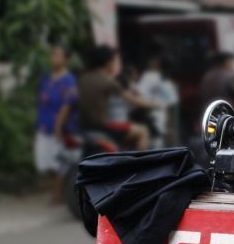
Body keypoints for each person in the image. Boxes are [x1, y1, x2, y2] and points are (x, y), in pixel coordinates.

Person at [78, 45, 158, 151]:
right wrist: (155, 104)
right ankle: (140, 165)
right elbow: (132, 100)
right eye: (113, 61)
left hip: (84, 126)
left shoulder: (83, 78)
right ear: (107, 63)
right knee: (143, 131)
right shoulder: (107, 81)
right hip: (103, 126)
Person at [34, 44, 77, 202]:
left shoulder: (69, 81)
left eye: (58, 55)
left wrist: (59, 126)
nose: (53, 58)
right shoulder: (47, 78)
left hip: (60, 129)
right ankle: (56, 190)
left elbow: (66, 105)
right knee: (46, 162)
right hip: (44, 126)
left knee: (58, 162)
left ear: (67, 59)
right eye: (52, 54)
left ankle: (58, 194)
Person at [137, 54, 179, 147]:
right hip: (147, 119)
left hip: (160, 123)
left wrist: (171, 129)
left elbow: (170, 108)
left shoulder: (169, 85)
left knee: (157, 149)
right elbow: (138, 95)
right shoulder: (149, 77)